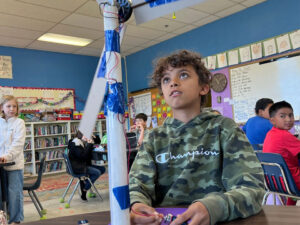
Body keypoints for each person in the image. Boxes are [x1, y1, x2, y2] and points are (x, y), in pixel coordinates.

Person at [129, 50, 265, 225]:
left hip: (218, 220)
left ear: (204, 87)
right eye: (166, 79)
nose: (174, 83)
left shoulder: (224, 128)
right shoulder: (154, 138)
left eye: (183, 75)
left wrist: (214, 207)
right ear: (162, 94)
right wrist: (137, 204)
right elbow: (137, 186)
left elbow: (251, 188)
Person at [263, 101, 300, 205]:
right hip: (290, 182)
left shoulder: (270, 134)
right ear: (272, 120)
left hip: (275, 182)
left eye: (291, 115)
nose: (288, 119)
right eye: (282, 116)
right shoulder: (284, 135)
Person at [0, 95, 26, 225]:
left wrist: (6, 157)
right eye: (8, 106)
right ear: (2, 108)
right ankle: (2, 218)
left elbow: (17, 144)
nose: (11, 109)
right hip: (0, 166)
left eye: (14, 106)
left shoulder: (19, 123)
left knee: (14, 194)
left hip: (14, 165)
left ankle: (16, 220)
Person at [68, 131, 101, 201]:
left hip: (81, 165)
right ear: (81, 136)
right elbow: (83, 156)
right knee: (97, 172)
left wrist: (94, 137)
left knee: (102, 169)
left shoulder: (79, 142)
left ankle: (85, 183)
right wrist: (89, 144)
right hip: (79, 168)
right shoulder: (76, 144)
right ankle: (85, 187)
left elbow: (97, 142)